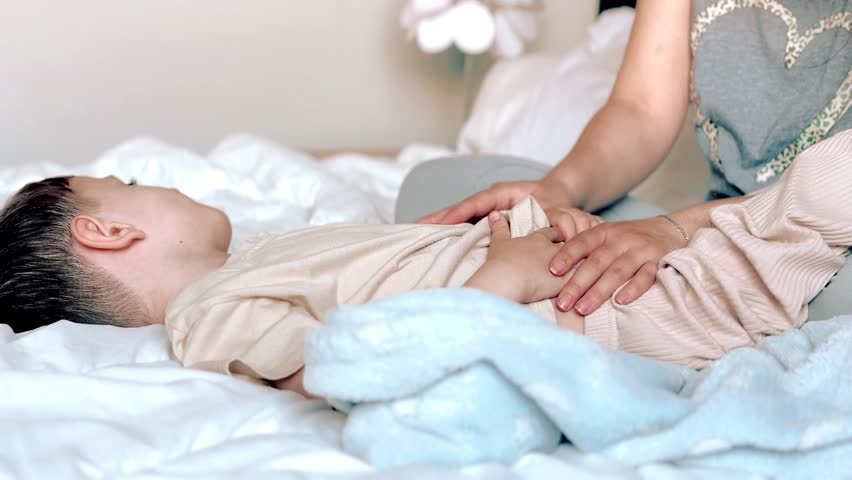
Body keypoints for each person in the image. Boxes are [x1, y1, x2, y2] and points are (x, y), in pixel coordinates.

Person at [1, 125, 850, 399]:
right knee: (812, 193)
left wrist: (531, 232)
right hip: (604, 306)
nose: (155, 183)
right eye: (131, 185)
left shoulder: (254, 261)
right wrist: (508, 275)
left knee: (766, 214)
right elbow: (350, 367)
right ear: (104, 233)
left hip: (576, 264)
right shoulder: (204, 315)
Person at [403, 0, 852, 322]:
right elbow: (641, 108)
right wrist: (559, 190)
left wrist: (677, 229)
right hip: (714, 230)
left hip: (827, 241)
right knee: (436, 193)